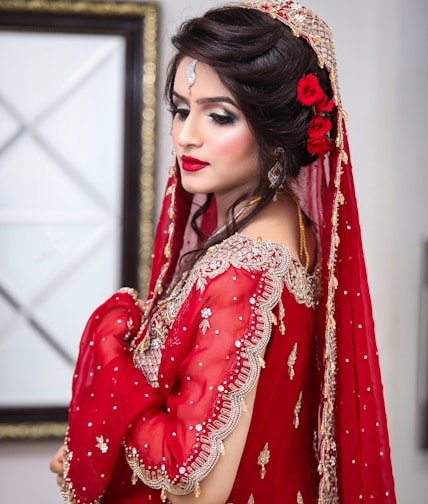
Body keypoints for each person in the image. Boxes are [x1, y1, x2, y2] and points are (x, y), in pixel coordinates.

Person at [50, 1, 396, 502]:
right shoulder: (291, 228)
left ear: (275, 130)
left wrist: (111, 362)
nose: (187, 136)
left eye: (219, 116)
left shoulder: (244, 268)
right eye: (181, 109)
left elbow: (198, 485)